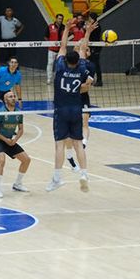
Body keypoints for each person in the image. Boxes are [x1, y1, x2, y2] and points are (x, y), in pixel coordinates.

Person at [47, 17, 91, 193]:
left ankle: (57, 178)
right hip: (76, 110)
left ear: (66, 60)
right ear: (77, 61)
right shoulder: (80, 69)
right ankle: (84, 174)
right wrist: (87, 32)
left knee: (59, 145)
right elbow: (82, 48)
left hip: (61, 111)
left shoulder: (60, 67)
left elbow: (63, 46)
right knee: (78, 144)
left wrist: (66, 29)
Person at [0, 90, 31, 198]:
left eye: (14, 96)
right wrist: (5, 139)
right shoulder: (1, 112)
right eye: (10, 96)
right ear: (5, 100)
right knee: (1, 160)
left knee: (26, 160)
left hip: (9, 141)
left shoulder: (18, 112)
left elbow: (21, 129)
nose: (13, 98)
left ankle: (17, 184)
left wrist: (15, 140)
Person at [67, 29, 97, 171]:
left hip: (82, 97)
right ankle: (69, 154)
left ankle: (84, 143)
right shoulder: (69, 63)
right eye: (79, 48)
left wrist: (72, 87)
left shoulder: (90, 66)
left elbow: (86, 87)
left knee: (85, 120)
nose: (84, 49)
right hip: (68, 99)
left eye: (85, 49)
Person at [45, 14, 65, 84]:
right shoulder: (50, 27)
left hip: (61, 50)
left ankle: (58, 78)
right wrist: (49, 44)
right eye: (59, 18)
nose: (60, 20)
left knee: (60, 65)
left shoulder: (64, 27)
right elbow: (46, 36)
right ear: (56, 19)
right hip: (51, 49)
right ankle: (49, 79)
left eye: (61, 19)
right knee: (50, 64)